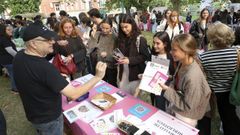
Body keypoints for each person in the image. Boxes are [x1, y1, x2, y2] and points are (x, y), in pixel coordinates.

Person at [13, 21, 107, 135]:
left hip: (34, 113)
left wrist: (54, 78)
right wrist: (97, 77)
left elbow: (33, 78)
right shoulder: (44, 67)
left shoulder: (20, 55)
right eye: (47, 40)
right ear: (33, 44)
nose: (52, 41)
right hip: (49, 118)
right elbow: (73, 94)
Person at [159, 34, 211, 127]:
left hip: (186, 118)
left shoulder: (192, 77)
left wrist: (167, 90)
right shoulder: (183, 63)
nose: (171, 52)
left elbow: (188, 106)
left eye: (174, 50)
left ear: (186, 51)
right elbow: (178, 80)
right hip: (179, 111)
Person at [198, 23, 240, 135]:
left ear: (211, 37)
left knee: (213, 116)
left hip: (214, 92)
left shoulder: (203, 56)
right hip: (233, 89)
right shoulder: (237, 52)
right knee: (230, 119)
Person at [117, 14, 151, 95]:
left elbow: (145, 56)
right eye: (122, 27)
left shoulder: (140, 39)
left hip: (135, 74)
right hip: (123, 73)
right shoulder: (121, 38)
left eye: (126, 27)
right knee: (124, 96)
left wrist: (130, 60)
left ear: (132, 24)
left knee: (135, 99)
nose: (124, 30)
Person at [150, 31, 176, 110]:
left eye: (158, 43)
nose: (155, 46)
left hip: (167, 86)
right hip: (155, 87)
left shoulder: (171, 57)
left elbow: (175, 74)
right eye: (154, 43)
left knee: (167, 108)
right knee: (158, 107)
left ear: (165, 44)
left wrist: (169, 76)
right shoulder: (152, 55)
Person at [90, 17, 118, 87]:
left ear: (111, 27)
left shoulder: (115, 37)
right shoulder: (98, 34)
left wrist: (108, 54)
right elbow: (91, 47)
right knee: (101, 84)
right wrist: (93, 35)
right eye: (103, 28)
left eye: (107, 28)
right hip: (100, 65)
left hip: (111, 67)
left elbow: (117, 53)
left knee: (112, 85)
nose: (104, 30)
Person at [0, 24, 18, 93]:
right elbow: (10, 51)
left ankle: (15, 88)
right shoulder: (4, 39)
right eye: (8, 30)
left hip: (5, 60)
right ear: (3, 31)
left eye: (11, 29)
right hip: (8, 60)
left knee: (12, 74)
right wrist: (19, 57)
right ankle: (15, 89)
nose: (11, 31)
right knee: (13, 74)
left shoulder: (4, 38)